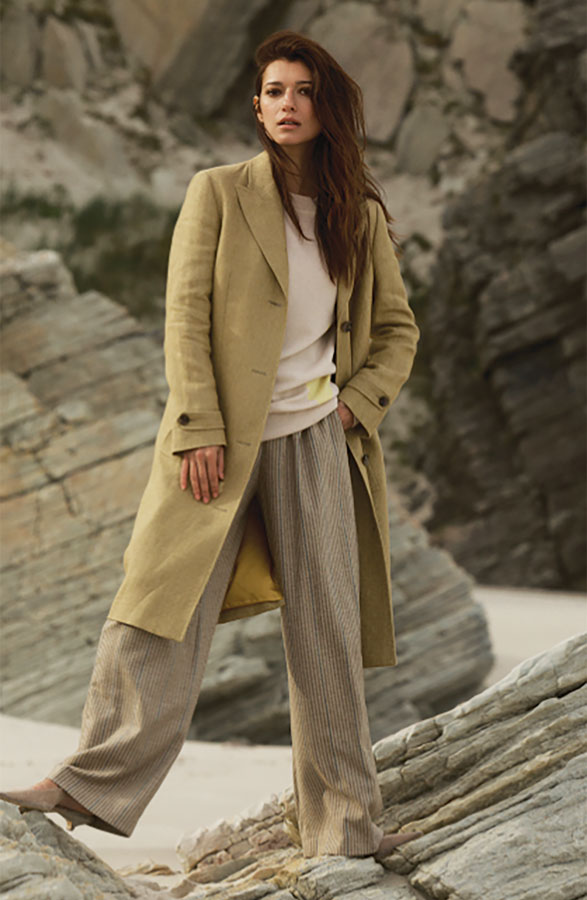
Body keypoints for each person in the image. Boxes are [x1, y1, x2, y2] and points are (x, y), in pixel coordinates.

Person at [0, 30, 422, 860]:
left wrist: (353, 407)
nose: (288, 104)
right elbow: (185, 315)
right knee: (159, 607)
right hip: (219, 441)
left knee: (326, 634)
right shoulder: (219, 192)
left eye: (303, 91)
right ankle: (82, 782)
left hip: (315, 441)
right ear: (256, 107)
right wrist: (198, 426)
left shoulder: (359, 216)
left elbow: (396, 330)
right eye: (274, 91)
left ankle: (346, 826)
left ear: (327, 106)